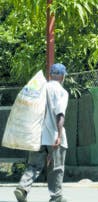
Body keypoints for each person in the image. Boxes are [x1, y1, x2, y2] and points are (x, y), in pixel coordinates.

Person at [14, 63, 69, 202]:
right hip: (53, 135)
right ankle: (56, 196)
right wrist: (59, 136)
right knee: (56, 168)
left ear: (50, 75)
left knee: (33, 165)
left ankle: (22, 188)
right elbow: (60, 114)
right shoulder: (61, 92)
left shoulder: (40, 88)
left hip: (37, 134)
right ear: (62, 76)